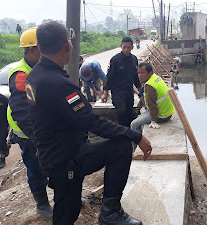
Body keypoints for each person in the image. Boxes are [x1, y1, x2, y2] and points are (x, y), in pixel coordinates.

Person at [26, 21, 152, 225]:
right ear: (68, 46)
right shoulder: (58, 84)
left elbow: (35, 116)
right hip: (65, 159)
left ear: (40, 48)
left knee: (70, 205)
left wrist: (39, 144)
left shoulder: (35, 76)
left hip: (59, 153)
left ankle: (110, 211)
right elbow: (92, 122)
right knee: (67, 211)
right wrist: (135, 135)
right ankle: (110, 213)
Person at [6, 27, 53, 220]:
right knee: (35, 168)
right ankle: (42, 205)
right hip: (28, 133)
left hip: (41, 129)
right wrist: (36, 139)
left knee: (50, 163)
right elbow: (21, 112)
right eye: (43, 49)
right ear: (33, 50)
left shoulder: (38, 68)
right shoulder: (21, 74)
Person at [101, 37, 142, 127]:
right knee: (121, 111)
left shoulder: (134, 59)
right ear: (121, 46)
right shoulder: (115, 60)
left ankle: (129, 133)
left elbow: (135, 76)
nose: (126, 50)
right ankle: (123, 134)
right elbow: (110, 77)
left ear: (132, 47)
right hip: (117, 91)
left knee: (129, 112)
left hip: (129, 90)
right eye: (124, 47)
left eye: (128, 47)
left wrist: (140, 89)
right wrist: (105, 92)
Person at [131, 62, 175, 133]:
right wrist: (139, 106)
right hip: (168, 111)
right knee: (142, 91)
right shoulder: (155, 77)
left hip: (162, 115)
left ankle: (140, 141)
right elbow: (144, 95)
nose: (139, 75)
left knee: (134, 124)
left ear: (150, 73)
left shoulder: (149, 86)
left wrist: (153, 121)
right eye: (139, 73)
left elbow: (152, 105)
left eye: (142, 73)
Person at [0, 86, 10, 169]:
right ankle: (6, 147)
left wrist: (9, 125)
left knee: (1, 141)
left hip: (3, 125)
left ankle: (2, 160)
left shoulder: (4, 99)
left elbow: (9, 112)